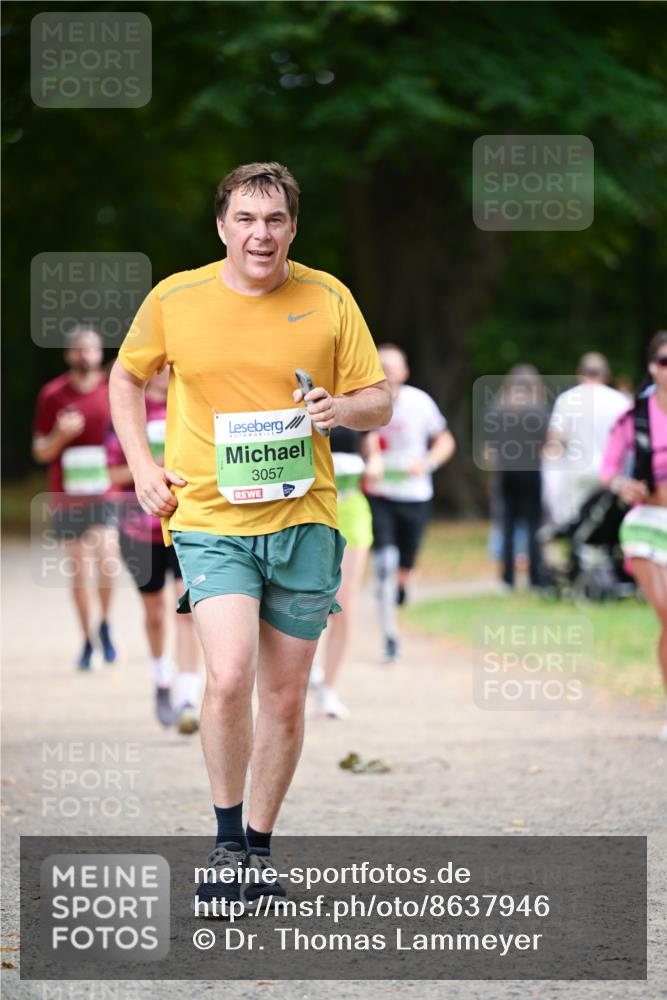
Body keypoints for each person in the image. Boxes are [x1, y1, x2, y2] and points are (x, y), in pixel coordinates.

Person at [109, 162, 391, 910]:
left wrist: (341, 410)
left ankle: (258, 853)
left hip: (304, 520)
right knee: (229, 676)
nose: (259, 234)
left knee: (286, 697)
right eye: (245, 219)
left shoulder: (329, 297)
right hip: (210, 519)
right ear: (221, 226)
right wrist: (142, 467)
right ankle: (225, 842)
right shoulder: (176, 298)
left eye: (273, 220)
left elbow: (378, 398)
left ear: (293, 228)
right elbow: (126, 378)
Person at [106, 366, 201, 733]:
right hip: (138, 528)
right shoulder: (129, 409)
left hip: (184, 525)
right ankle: (162, 679)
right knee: (156, 614)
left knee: (187, 609)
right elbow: (111, 473)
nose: (163, 372)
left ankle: (188, 699)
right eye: (157, 367)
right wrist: (148, 468)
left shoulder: (191, 405)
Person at [32, 325, 118, 670]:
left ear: (100, 354)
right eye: (80, 349)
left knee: (108, 559)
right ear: (69, 354)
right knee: (80, 571)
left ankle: (105, 624)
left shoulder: (112, 391)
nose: (86, 355)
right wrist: (60, 434)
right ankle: (86, 641)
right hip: (68, 497)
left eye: (92, 349)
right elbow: (40, 451)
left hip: (104, 492)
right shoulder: (52, 395)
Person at [365, 344, 455, 662]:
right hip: (379, 494)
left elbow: (446, 441)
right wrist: (370, 459)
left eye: (392, 366)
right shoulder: (364, 402)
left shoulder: (420, 403)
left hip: (415, 495)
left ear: (405, 372)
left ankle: (403, 585)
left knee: (403, 567)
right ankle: (390, 636)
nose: (387, 372)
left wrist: (427, 463)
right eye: (381, 366)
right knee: (385, 564)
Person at [601, 332, 667, 742]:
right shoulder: (633, 417)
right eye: (664, 360)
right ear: (652, 366)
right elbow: (608, 470)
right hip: (647, 523)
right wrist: (622, 485)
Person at [314, 427, 382, 719]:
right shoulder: (299, 402)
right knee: (309, 600)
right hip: (311, 509)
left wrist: (375, 464)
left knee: (343, 602)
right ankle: (303, 667)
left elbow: (372, 450)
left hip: (350, 508)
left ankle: (329, 688)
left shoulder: (356, 404)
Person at [543, 352, 629, 527]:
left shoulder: (567, 400)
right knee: (609, 525)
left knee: (578, 526)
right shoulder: (621, 401)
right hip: (612, 474)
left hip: (577, 474)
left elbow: (556, 441)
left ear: (580, 373)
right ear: (606, 375)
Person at [486, 365, 549, 590]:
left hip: (506, 473)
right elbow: (546, 445)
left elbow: (490, 448)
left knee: (507, 525)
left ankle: (507, 579)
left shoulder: (497, 410)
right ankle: (535, 578)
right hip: (531, 472)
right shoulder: (538, 411)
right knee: (533, 525)